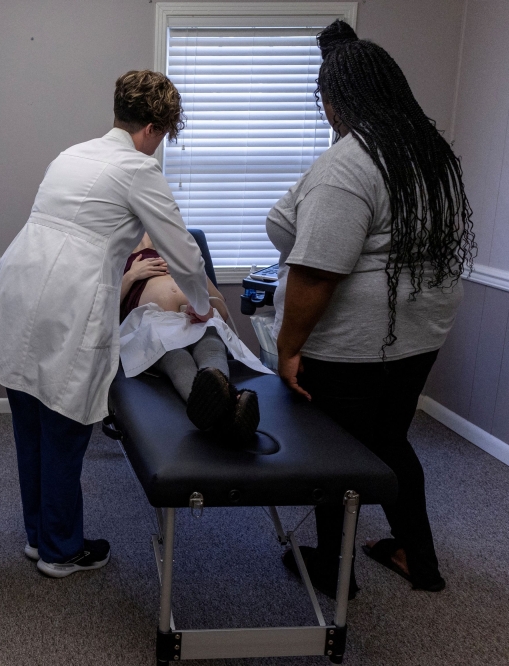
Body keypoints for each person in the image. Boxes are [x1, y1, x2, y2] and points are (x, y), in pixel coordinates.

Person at [0, 71, 214, 578]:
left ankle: (40, 537)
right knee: (64, 423)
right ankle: (61, 549)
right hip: (67, 296)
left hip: (20, 285)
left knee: (31, 421)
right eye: (163, 137)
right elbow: (184, 254)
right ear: (151, 128)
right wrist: (203, 304)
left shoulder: (72, 154)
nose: (158, 149)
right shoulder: (136, 169)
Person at [267, 20, 476, 598]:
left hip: (357, 342)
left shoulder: (349, 163)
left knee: (335, 455)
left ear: (337, 102)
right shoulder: (429, 154)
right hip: (419, 332)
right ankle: (418, 556)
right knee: (389, 440)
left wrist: (288, 349)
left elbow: (316, 269)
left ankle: (336, 574)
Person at [118, 233, 265, 441]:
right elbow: (104, 312)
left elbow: (222, 310)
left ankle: (219, 413)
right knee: (178, 359)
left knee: (212, 346)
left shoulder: (180, 251)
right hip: (153, 324)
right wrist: (132, 275)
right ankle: (231, 411)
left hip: (196, 320)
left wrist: (203, 305)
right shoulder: (115, 250)